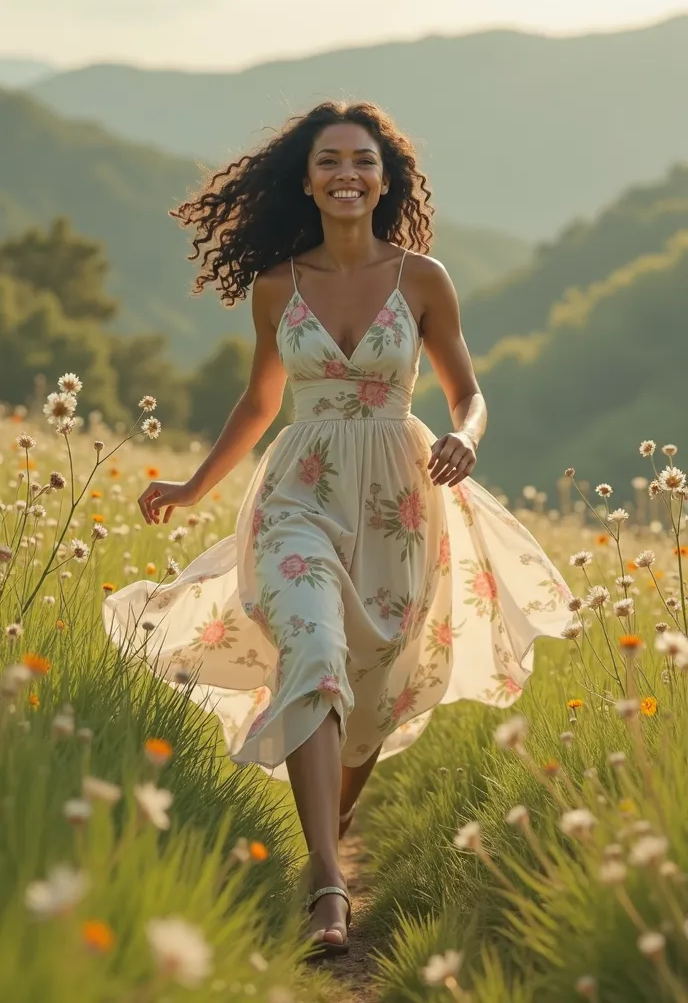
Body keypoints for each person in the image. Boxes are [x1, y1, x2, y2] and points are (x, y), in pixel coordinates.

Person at [102, 101, 572, 958]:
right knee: (314, 652)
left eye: (362, 160)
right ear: (308, 178)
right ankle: (328, 880)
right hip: (299, 496)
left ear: (385, 178)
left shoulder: (422, 278)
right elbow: (261, 401)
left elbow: (468, 392)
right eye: (329, 161)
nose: (346, 174)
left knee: (374, 690)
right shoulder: (276, 285)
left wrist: (465, 438)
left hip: (400, 498)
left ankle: (336, 815)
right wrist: (196, 484)